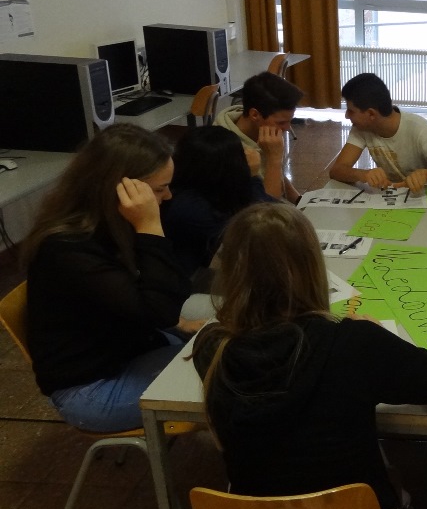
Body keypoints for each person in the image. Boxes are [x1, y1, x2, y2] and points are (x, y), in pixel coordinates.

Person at [190, 202, 427, 509]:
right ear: (313, 267)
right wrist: (379, 342)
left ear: (230, 274)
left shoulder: (211, 348)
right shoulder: (355, 344)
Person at [21, 124, 199, 433]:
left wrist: (182, 325)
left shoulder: (114, 225)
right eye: (160, 189)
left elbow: (174, 289)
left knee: (230, 348)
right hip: (91, 390)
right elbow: (160, 311)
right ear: (122, 191)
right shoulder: (66, 248)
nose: (168, 196)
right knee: (231, 378)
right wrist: (150, 228)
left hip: (128, 351)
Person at [161, 126, 276, 277]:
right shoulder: (187, 207)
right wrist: (255, 174)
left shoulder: (207, 190)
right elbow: (262, 222)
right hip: (190, 281)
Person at [329, 72, 427, 193]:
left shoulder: (419, 129)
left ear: (371, 114)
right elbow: (336, 170)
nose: (346, 116)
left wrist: (426, 175)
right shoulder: (361, 128)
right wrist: (363, 174)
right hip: (392, 197)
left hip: (426, 197)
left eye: (351, 111)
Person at [213, 71, 301, 203]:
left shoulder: (258, 129)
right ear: (255, 115)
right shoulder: (227, 150)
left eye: (289, 121)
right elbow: (265, 208)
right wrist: (274, 158)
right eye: (281, 122)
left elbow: (277, 174)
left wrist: (300, 201)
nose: (287, 128)